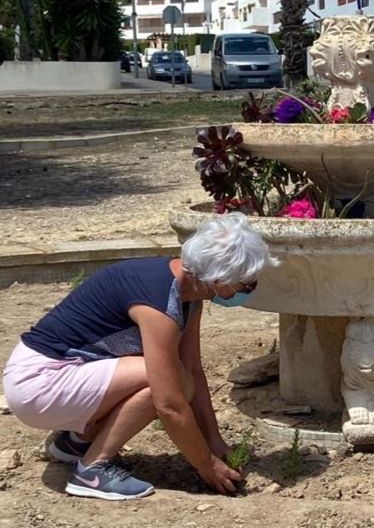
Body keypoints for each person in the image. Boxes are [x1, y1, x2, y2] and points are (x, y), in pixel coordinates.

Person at [2, 213, 276, 500]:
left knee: (179, 377)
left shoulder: (187, 293)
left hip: (57, 374)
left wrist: (214, 441)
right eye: (247, 285)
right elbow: (169, 404)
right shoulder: (157, 305)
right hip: (39, 383)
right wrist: (206, 465)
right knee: (168, 383)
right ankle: (92, 469)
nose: (248, 291)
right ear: (218, 279)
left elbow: (194, 369)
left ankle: (76, 444)